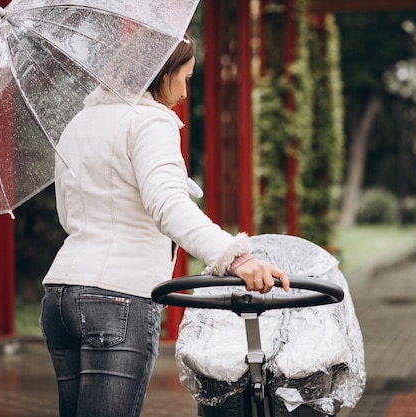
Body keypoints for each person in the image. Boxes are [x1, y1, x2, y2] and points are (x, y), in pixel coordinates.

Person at [40, 32, 290, 417]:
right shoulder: (150, 121)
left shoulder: (80, 123)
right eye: (185, 78)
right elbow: (168, 205)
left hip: (61, 295)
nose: (186, 93)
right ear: (162, 72)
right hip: (117, 297)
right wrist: (235, 258)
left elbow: (68, 213)